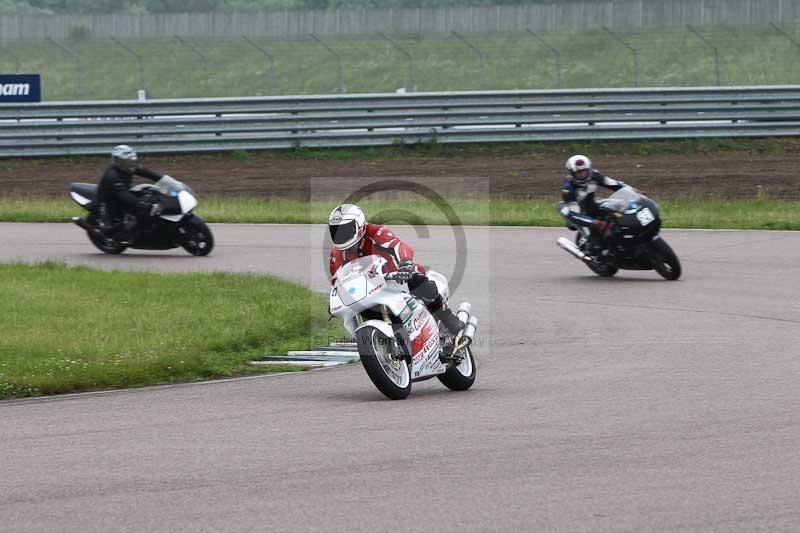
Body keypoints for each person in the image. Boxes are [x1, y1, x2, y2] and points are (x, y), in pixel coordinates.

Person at [327, 203, 464, 340]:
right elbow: (337, 282)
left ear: (360, 225)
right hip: (368, 289)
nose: (341, 235)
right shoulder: (336, 253)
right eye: (336, 231)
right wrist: (336, 299)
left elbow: (399, 246)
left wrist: (405, 264)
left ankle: (446, 318)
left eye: (345, 230)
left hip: (396, 276)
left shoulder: (376, 232)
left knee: (420, 283)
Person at [557, 154, 629, 257]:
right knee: (595, 245)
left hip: (590, 203)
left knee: (620, 205)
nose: (582, 174)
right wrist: (593, 222)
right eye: (578, 172)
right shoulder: (568, 189)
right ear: (572, 173)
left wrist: (633, 191)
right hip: (573, 211)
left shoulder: (595, 175)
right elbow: (575, 214)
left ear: (589, 169)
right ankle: (591, 250)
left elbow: (614, 184)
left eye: (584, 171)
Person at [95, 145, 166, 244]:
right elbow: (123, 195)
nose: (131, 163)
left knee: (149, 196)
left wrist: (164, 179)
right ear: (118, 161)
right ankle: (118, 235)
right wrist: (140, 203)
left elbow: (147, 173)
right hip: (108, 200)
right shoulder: (113, 175)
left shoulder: (128, 167)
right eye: (127, 161)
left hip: (122, 192)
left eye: (132, 160)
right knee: (136, 212)